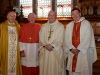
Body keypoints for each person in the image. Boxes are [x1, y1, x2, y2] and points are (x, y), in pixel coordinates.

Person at [64, 7, 97, 75]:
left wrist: (78, 49)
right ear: (71, 16)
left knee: (84, 71)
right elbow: (66, 39)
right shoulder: (69, 25)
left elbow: (87, 38)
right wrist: (71, 49)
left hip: (83, 52)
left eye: (76, 13)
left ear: (80, 14)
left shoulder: (86, 24)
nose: (75, 15)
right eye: (73, 14)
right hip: (72, 52)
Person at [39, 10, 65, 75]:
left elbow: (60, 39)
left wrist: (52, 46)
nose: (51, 17)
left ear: (56, 16)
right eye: (50, 15)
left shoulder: (60, 26)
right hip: (45, 51)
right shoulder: (44, 26)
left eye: (53, 15)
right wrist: (45, 45)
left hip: (55, 51)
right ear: (48, 16)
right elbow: (41, 38)